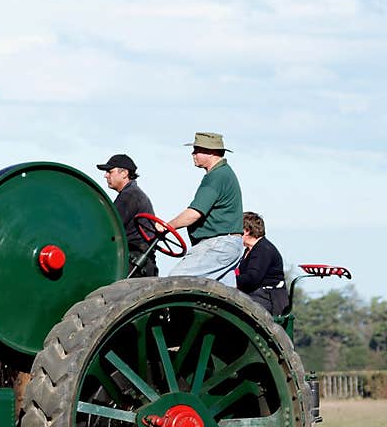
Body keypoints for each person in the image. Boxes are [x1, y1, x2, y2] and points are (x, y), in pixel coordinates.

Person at [161, 132, 244, 285]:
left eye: (197, 150)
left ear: (211, 152)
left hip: (218, 245)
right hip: (228, 244)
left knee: (177, 281)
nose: (193, 154)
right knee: (221, 298)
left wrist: (166, 226)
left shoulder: (217, 176)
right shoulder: (224, 173)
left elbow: (193, 214)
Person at [96, 153, 158, 277]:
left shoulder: (130, 196)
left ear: (124, 173)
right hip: (138, 261)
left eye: (110, 171)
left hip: (135, 265)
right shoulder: (132, 194)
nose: (105, 175)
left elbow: (108, 228)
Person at [236, 211, 289, 315]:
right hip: (256, 295)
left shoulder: (263, 249)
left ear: (246, 231)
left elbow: (252, 279)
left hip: (268, 298)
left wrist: (228, 280)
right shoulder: (250, 250)